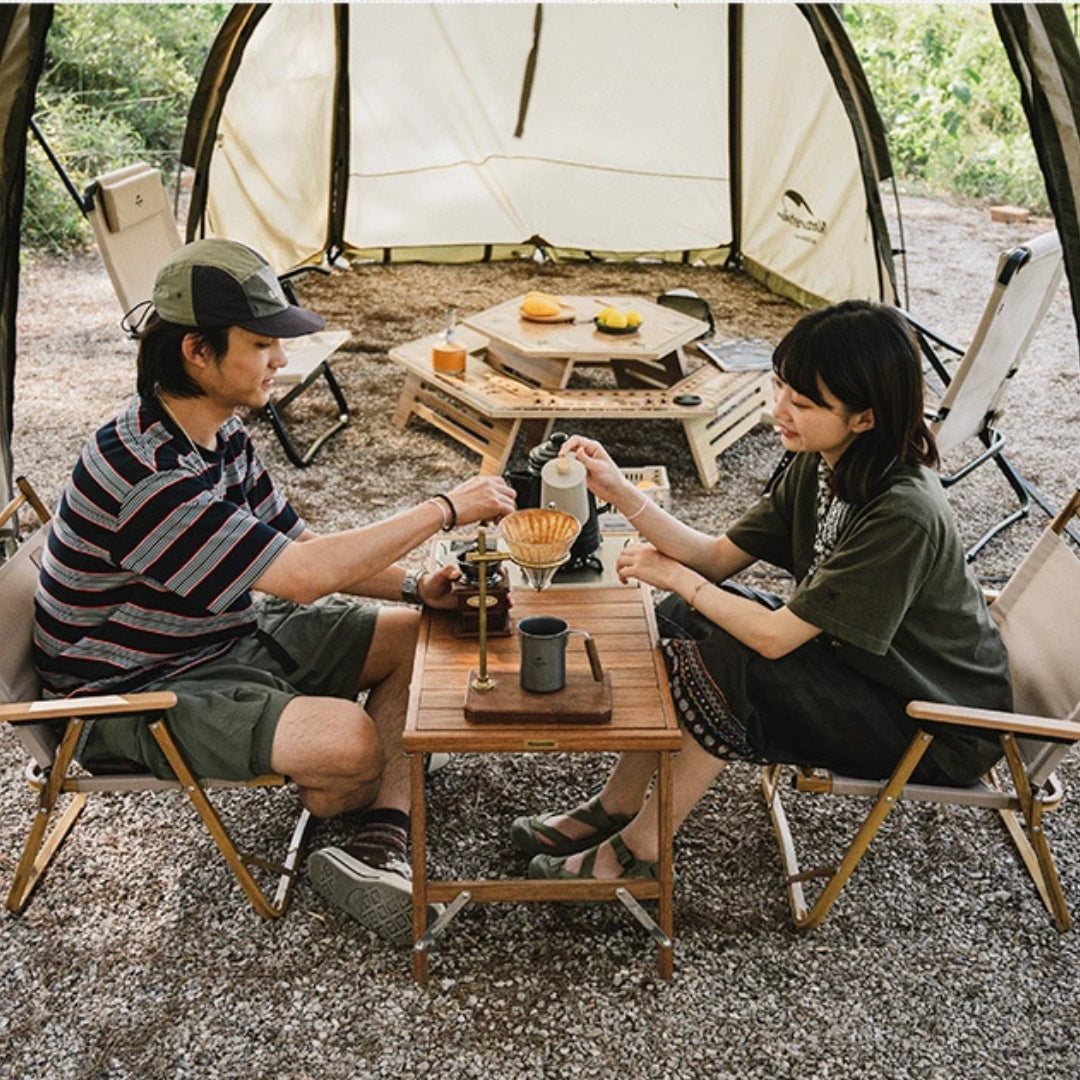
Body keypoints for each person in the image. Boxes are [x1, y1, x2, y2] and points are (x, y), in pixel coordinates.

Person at [32, 238, 517, 943]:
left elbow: (302, 548)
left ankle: (380, 839)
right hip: (134, 691)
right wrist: (445, 508)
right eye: (261, 344)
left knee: (424, 635)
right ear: (197, 352)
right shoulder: (145, 473)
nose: (281, 360)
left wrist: (419, 587)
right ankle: (374, 776)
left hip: (220, 636)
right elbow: (303, 579)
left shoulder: (217, 433)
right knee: (352, 746)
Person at [510, 299, 1011, 884]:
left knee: (734, 662)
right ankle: (618, 802)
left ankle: (642, 850)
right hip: (862, 668)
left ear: (865, 418)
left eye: (803, 403)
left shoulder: (903, 514)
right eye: (780, 388)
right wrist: (618, 488)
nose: (779, 411)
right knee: (681, 616)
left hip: (932, 722)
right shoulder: (823, 463)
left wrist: (675, 575)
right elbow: (715, 559)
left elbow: (773, 638)